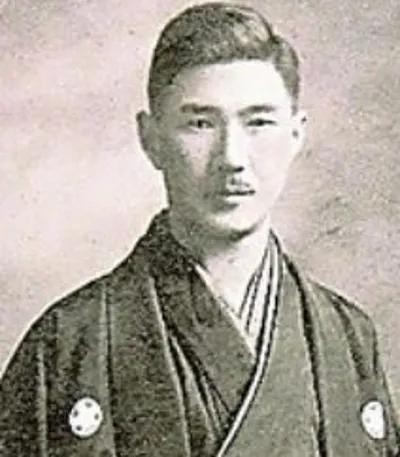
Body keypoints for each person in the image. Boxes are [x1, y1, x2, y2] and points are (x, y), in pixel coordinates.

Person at [1, 3, 399, 456]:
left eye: (259, 123)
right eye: (200, 124)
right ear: (151, 139)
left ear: (296, 134)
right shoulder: (69, 342)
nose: (231, 157)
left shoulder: (346, 338)